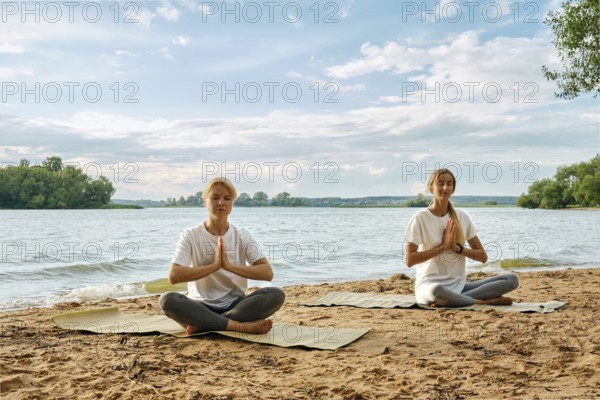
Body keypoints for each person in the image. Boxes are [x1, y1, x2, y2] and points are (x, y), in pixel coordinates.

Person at [159, 177, 285, 335]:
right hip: (200, 306)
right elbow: (174, 276)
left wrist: (229, 266)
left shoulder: (242, 235)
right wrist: (213, 267)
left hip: (236, 305)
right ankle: (238, 326)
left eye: (227, 198)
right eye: (215, 197)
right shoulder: (190, 235)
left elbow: (267, 273)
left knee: (275, 295)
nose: (221, 203)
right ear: (205, 201)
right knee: (168, 300)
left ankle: (206, 324)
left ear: (232, 202)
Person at [404, 168, 519, 307]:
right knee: (437, 290)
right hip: (429, 286)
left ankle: (452, 300)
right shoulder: (420, 218)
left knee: (512, 280)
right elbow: (410, 260)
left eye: (449, 183)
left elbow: (482, 257)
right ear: (431, 187)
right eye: (440, 183)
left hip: (459, 285)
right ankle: (482, 302)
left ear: (453, 189)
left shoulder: (462, 217)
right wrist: (444, 246)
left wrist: (458, 249)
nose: (445, 187)